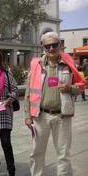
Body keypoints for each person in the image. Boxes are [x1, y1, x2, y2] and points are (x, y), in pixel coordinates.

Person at [24, 31, 85, 176]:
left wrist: (71, 88)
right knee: (36, 153)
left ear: (60, 45)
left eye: (54, 45)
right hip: (40, 116)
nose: (51, 48)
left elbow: (82, 85)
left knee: (63, 154)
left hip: (62, 116)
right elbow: (29, 91)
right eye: (47, 46)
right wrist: (27, 115)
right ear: (42, 47)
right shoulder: (36, 65)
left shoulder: (68, 64)